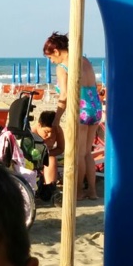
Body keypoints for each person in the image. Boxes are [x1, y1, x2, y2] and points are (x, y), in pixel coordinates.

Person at [42, 32, 103, 200]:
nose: (51, 61)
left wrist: (56, 119)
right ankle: (92, 191)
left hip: (80, 109)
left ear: (56, 51)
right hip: (95, 107)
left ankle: (78, 192)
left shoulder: (63, 67)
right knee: (87, 153)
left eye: (50, 57)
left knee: (79, 153)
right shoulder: (85, 60)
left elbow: (64, 96)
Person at [36, 110, 64, 201]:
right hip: (33, 158)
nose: (50, 135)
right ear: (39, 125)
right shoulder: (32, 132)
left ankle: (50, 189)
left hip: (48, 155)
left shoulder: (57, 130)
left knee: (51, 159)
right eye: (46, 132)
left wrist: (46, 154)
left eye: (52, 132)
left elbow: (61, 148)